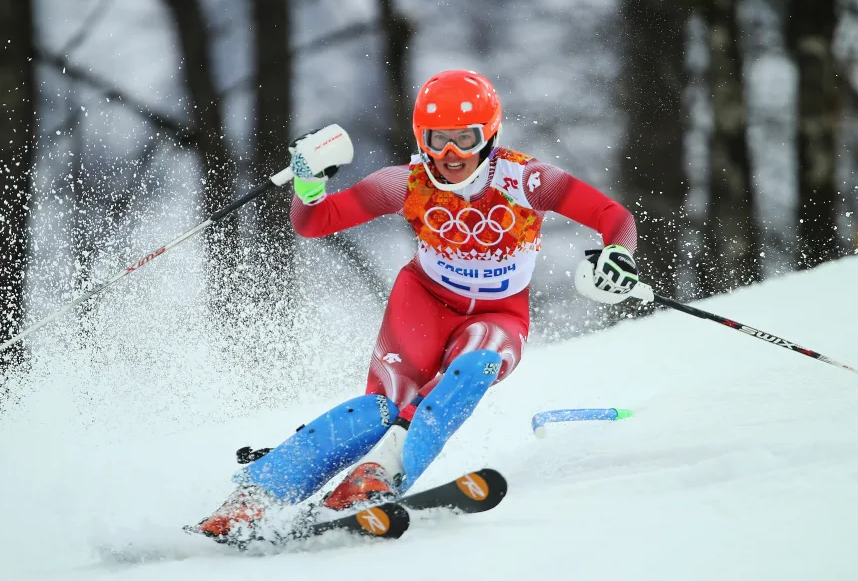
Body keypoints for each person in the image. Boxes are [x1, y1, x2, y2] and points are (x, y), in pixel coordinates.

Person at [191, 69, 641, 543]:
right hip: (423, 302)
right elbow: (315, 222)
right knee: (379, 411)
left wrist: (619, 254)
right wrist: (308, 184)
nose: (450, 156)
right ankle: (254, 497)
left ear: (488, 135)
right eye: (437, 140)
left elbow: (614, 217)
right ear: (420, 137)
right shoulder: (403, 183)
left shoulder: (525, 180)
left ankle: (377, 475)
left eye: (464, 140)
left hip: (497, 314)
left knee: (477, 364)